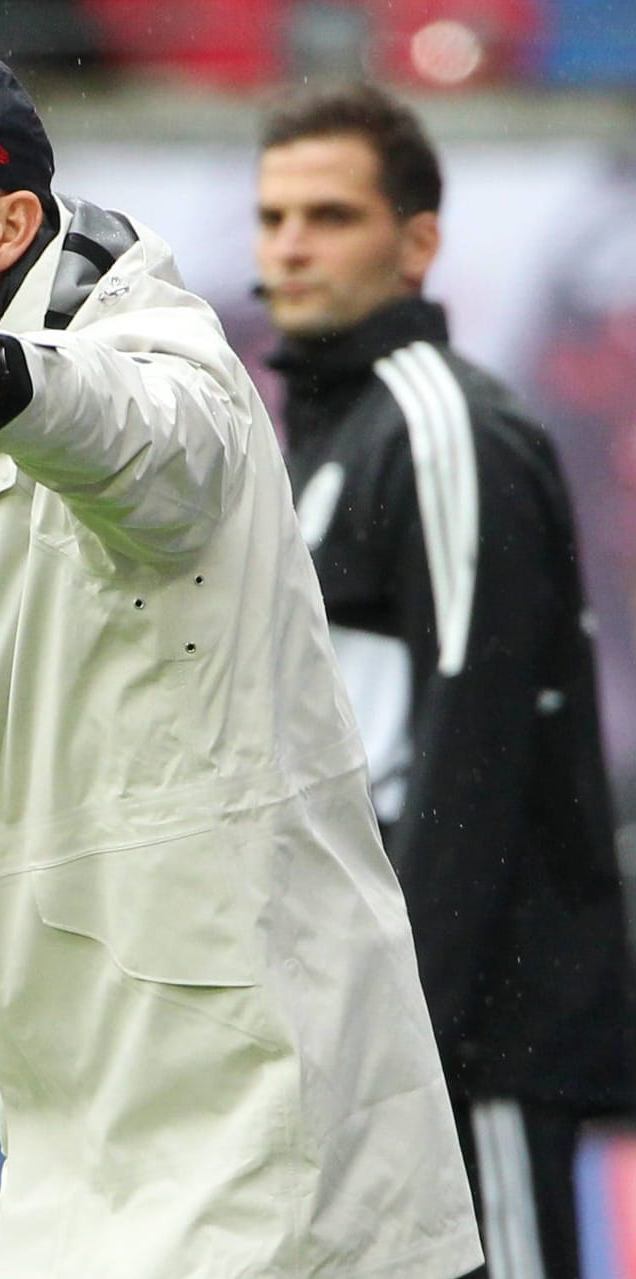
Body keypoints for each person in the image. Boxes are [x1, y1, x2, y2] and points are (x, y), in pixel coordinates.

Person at [0, 46, 482, 1278]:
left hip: (265, 1102)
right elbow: (24, 735)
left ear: (12, 222)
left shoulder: (152, 347)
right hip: (75, 1128)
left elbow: (157, 453)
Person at [254, 83, 636, 1279]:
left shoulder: (445, 428)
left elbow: (478, 747)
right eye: (272, 219)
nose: (292, 246)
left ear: (419, 241)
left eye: (330, 214)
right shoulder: (322, 432)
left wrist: (401, 1019)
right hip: (371, 1021)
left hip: (471, 1026)